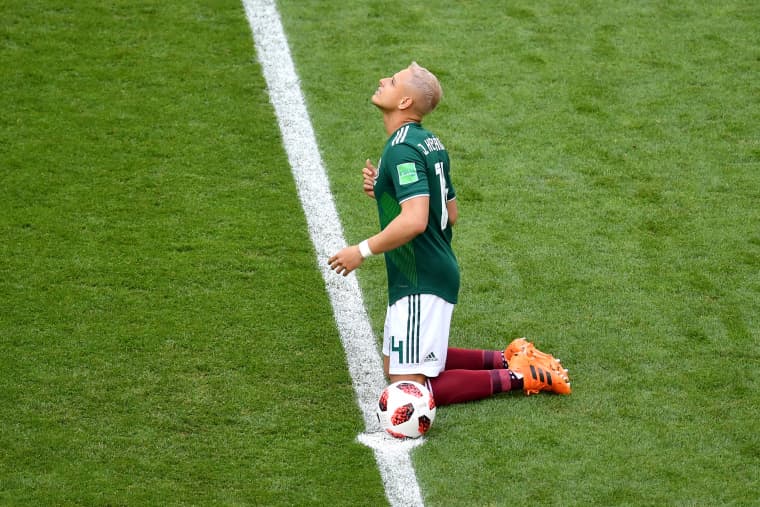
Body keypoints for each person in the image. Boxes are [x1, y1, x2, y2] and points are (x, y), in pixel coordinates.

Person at [328, 62, 570, 405]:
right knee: (392, 365)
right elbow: (449, 212)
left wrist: (361, 251)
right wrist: (386, 187)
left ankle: (521, 376)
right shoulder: (427, 142)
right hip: (430, 270)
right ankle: (509, 357)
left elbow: (414, 221)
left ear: (404, 103)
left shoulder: (402, 149)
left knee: (408, 392)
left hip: (420, 276)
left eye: (393, 80)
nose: (383, 80)